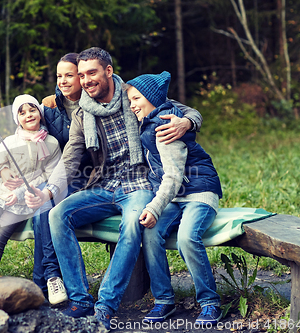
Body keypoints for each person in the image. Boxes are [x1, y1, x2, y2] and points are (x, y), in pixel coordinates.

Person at [24, 47, 202, 330]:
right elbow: (70, 158)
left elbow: (185, 110)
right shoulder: (84, 114)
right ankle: (81, 300)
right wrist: (48, 193)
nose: (86, 80)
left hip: (140, 185)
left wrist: (187, 122)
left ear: (108, 71)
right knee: (56, 215)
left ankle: (105, 305)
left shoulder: (133, 96)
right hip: (104, 184)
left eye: (91, 73)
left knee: (132, 223)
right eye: (81, 75)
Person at [124, 72, 223, 325]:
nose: (132, 104)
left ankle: (210, 302)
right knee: (150, 233)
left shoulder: (164, 126)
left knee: (187, 238)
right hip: (175, 198)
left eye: (136, 98)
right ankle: (164, 301)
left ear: (152, 98)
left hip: (198, 192)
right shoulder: (149, 120)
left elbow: (173, 177)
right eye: (130, 99)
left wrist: (154, 207)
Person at [0, 94, 61, 271]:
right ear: (18, 120)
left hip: (23, 203)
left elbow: (50, 175)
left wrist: (21, 191)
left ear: (40, 113)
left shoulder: (51, 143)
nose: (29, 115)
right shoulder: (10, 142)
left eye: (32, 110)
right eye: (22, 113)